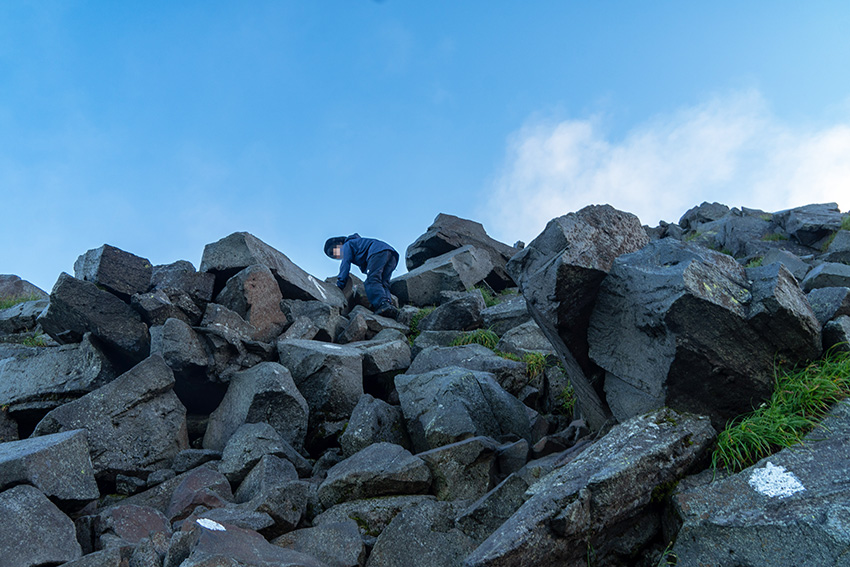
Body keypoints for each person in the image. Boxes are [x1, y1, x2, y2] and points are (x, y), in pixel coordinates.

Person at [324, 233, 399, 319]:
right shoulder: (358, 243)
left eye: (334, 251)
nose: (336, 256)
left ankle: (382, 305)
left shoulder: (347, 244)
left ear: (340, 244)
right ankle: (388, 306)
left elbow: (345, 264)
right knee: (383, 283)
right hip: (392, 254)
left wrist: (340, 284)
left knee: (371, 280)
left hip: (378, 252)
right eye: (333, 256)